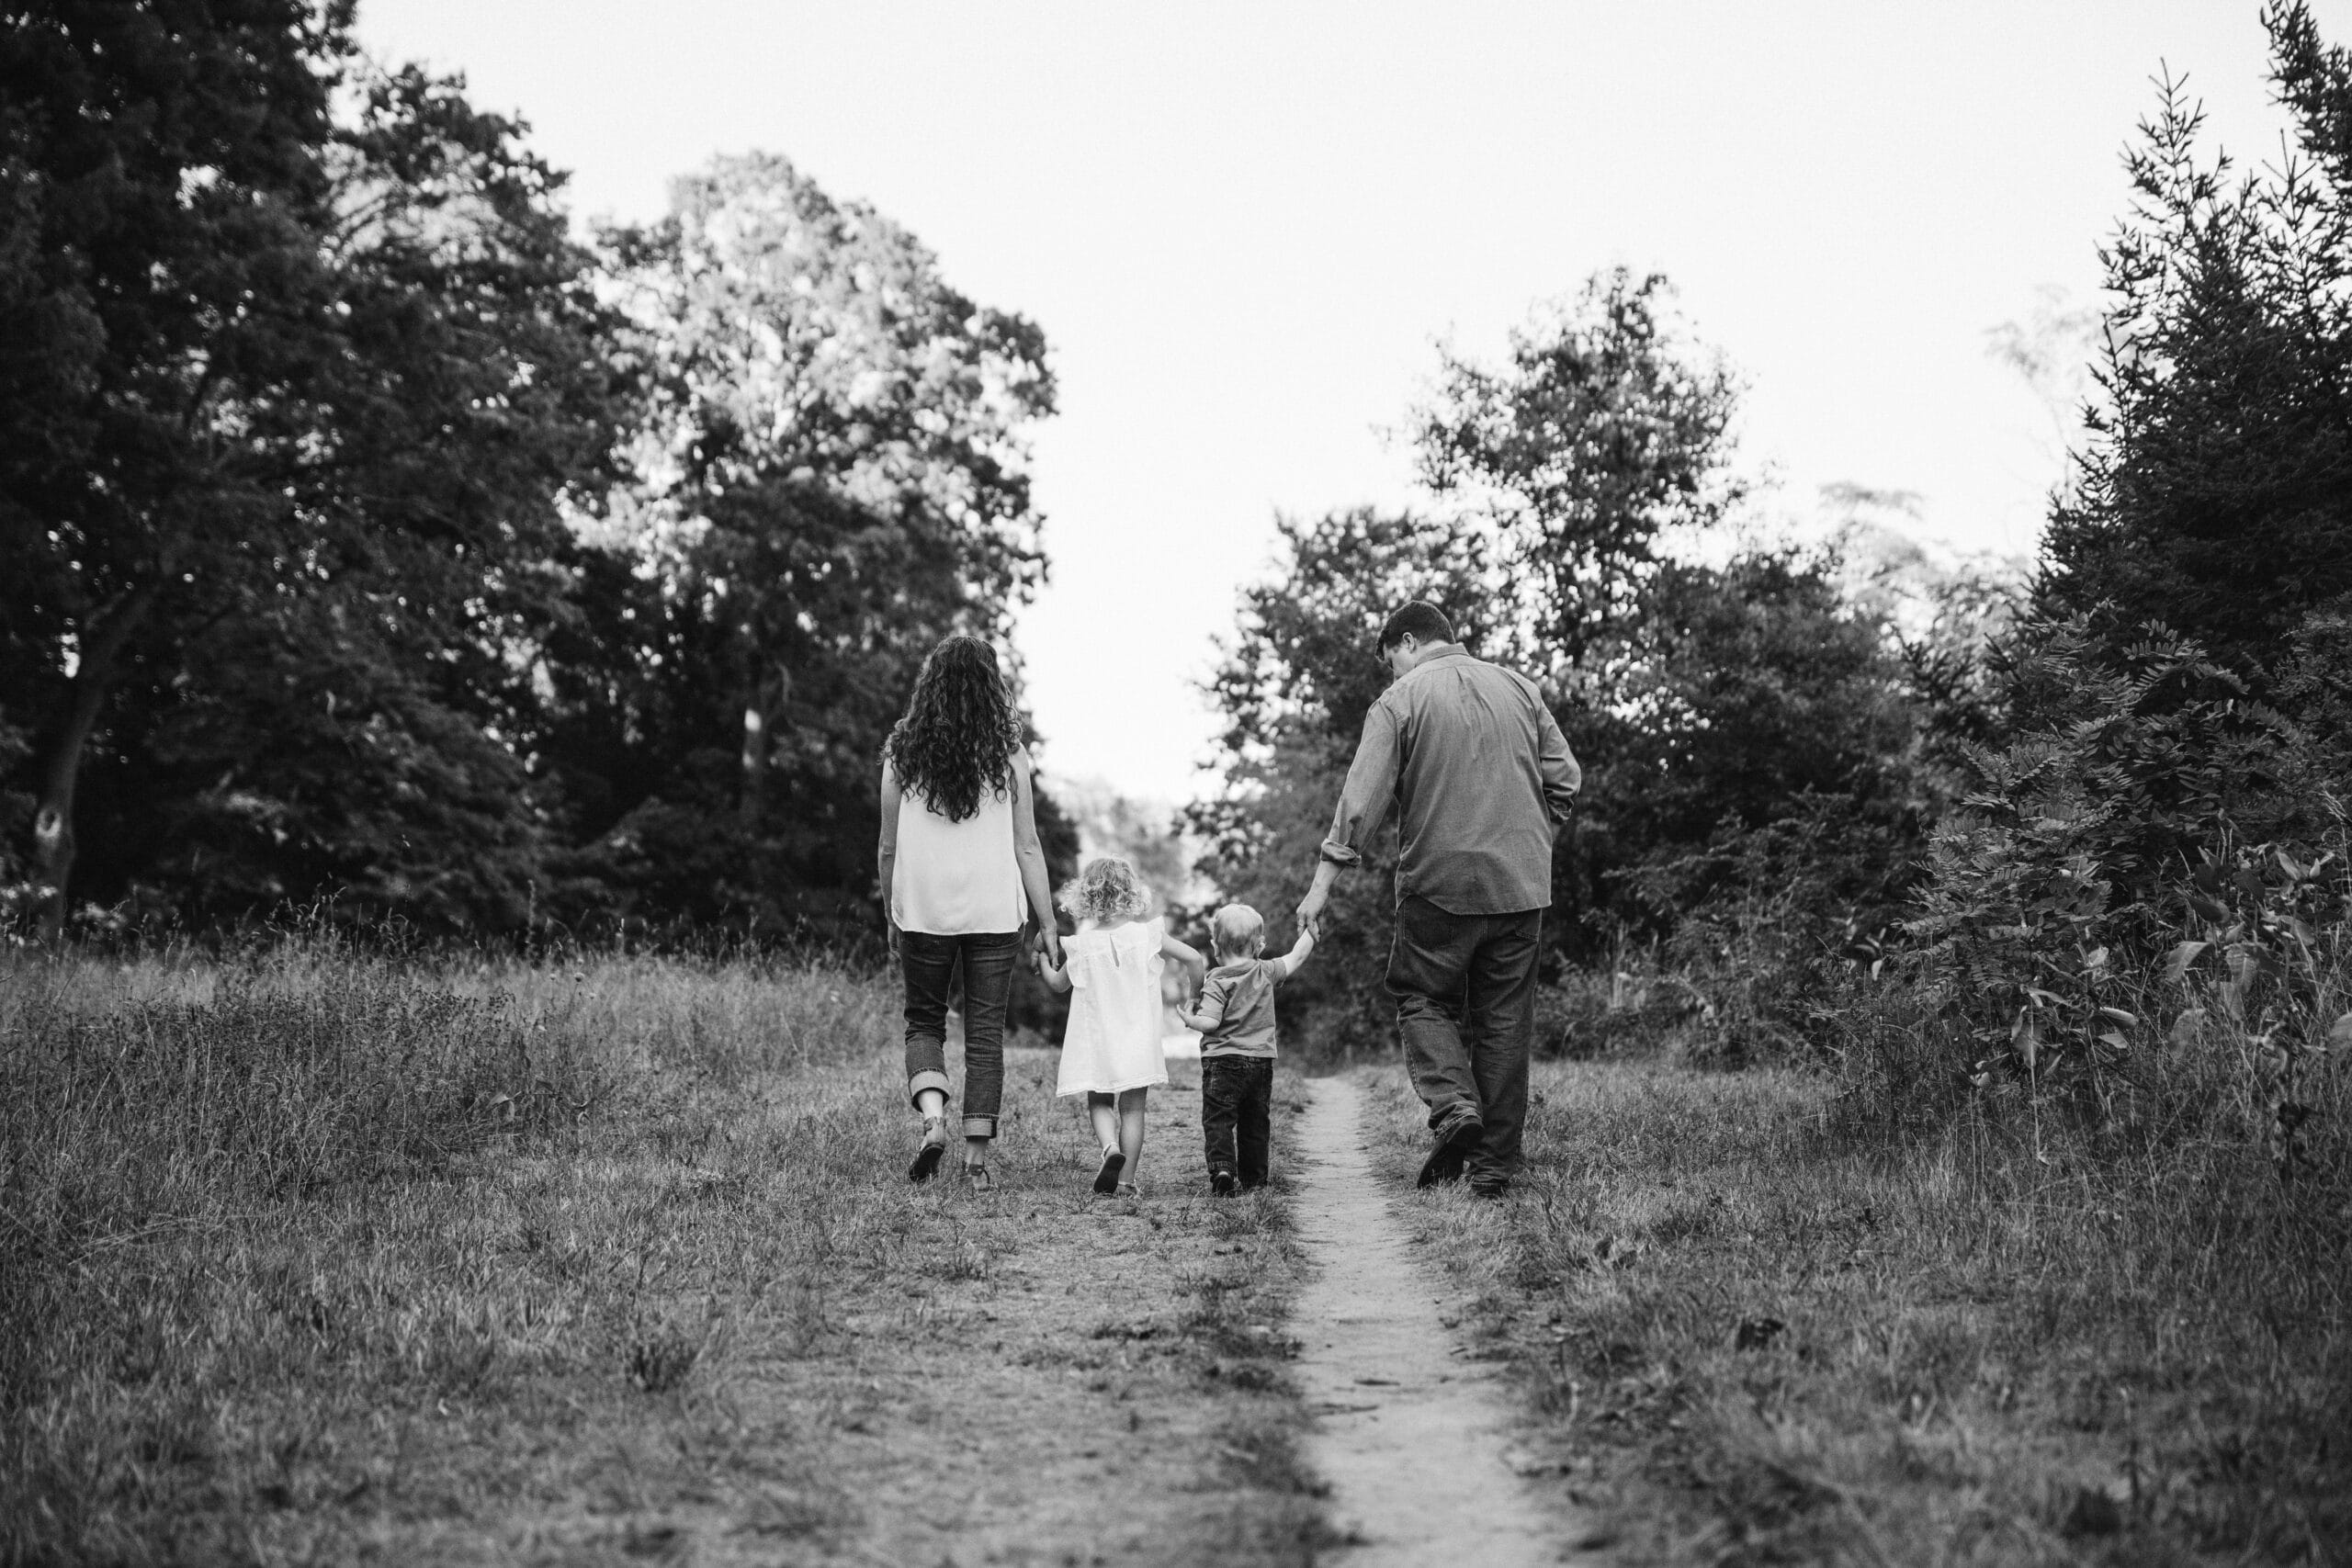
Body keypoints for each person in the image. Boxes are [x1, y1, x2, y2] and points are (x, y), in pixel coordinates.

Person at [1295, 601, 1579, 1198]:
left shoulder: (1399, 702)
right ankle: (1495, 1169)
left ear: (1405, 642)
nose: (1392, 675)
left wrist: (1320, 888)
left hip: (1438, 885)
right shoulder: (1521, 689)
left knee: (1422, 997)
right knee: (1504, 1021)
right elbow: (1565, 780)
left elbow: (1359, 804)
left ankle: (1454, 1109)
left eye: (1390, 662)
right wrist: (1526, 842)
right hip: (1520, 887)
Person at [878, 635, 1063, 1192]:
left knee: (925, 1022)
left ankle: (933, 1120)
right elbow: (1027, 845)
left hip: (924, 910)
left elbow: (888, 846)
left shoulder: (901, 754)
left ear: (929, 684)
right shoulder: (1009, 757)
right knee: (985, 1037)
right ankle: (976, 1165)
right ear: (992, 686)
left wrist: (892, 910)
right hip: (994, 911)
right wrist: (1049, 923)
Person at [1034, 856, 1204, 1197]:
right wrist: (1196, 996)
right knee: (1133, 1109)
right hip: (1138, 1041)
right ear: (1132, 894)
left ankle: (1109, 1147)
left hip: (1099, 1042)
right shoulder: (1149, 934)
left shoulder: (1081, 946)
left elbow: (1056, 984)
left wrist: (1040, 954)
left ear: (1086, 897)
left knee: (1099, 1102)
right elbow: (1194, 959)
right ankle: (1126, 1182)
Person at [1177, 904, 1315, 1195]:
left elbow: (1211, 1022)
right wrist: (1310, 931)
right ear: (1258, 945)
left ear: (1216, 945)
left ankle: (1224, 1169)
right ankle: (1254, 1179)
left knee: (1219, 1119)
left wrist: (1191, 1019)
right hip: (1260, 1063)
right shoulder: (1265, 971)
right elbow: (1296, 956)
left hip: (1223, 1063)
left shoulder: (1218, 980)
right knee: (1255, 1122)